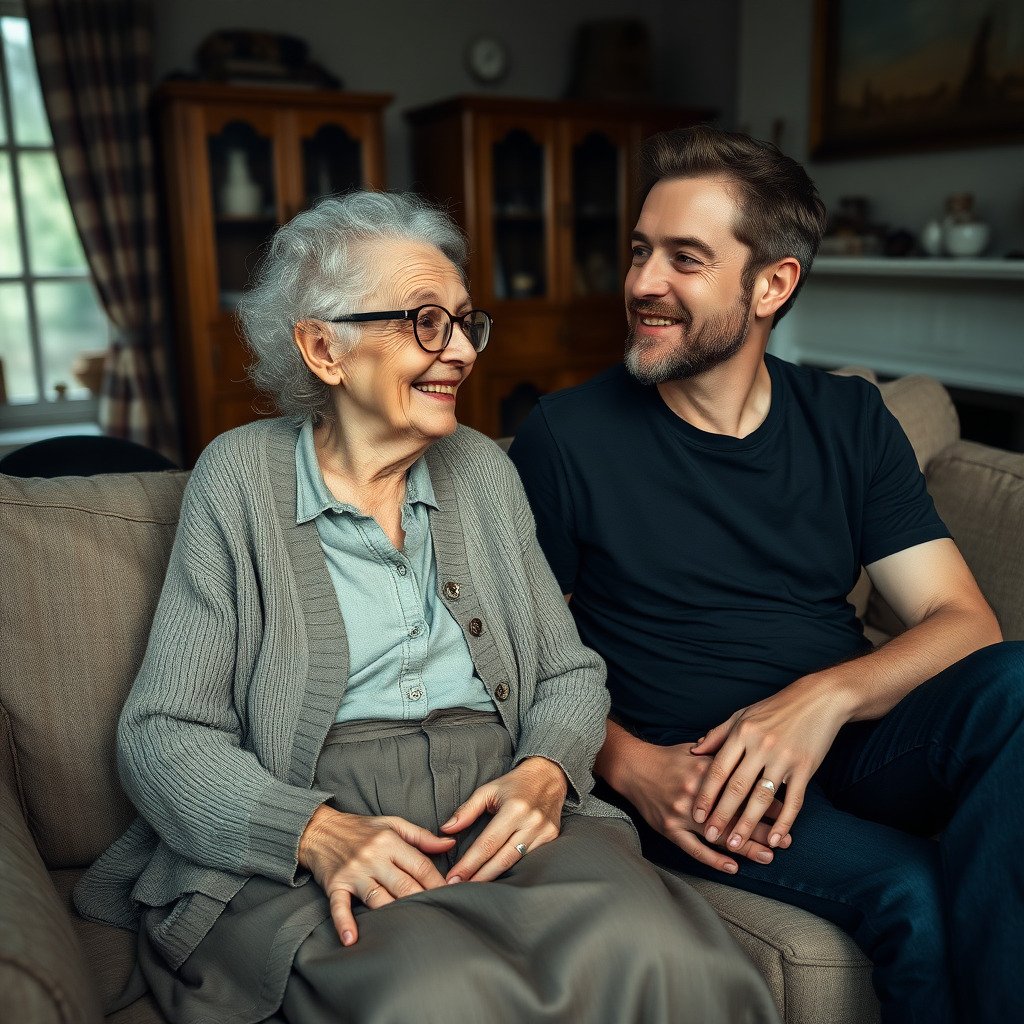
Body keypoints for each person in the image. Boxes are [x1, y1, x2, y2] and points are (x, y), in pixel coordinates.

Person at [73, 191, 779, 1024]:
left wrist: (547, 770)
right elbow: (163, 735)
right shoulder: (239, 480)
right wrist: (316, 834)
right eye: (423, 322)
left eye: (464, 322)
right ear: (322, 348)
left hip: (493, 801)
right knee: (435, 997)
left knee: (682, 961)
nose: (460, 353)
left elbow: (569, 672)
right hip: (318, 814)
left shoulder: (482, 470)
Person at [508, 125, 1024, 1024]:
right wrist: (629, 768)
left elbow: (964, 623)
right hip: (707, 770)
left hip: (858, 743)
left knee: (1018, 682)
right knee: (913, 893)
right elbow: (516, 664)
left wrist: (819, 700)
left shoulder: (851, 419)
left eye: (684, 259)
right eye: (639, 251)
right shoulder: (567, 438)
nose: (641, 284)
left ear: (772, 284)